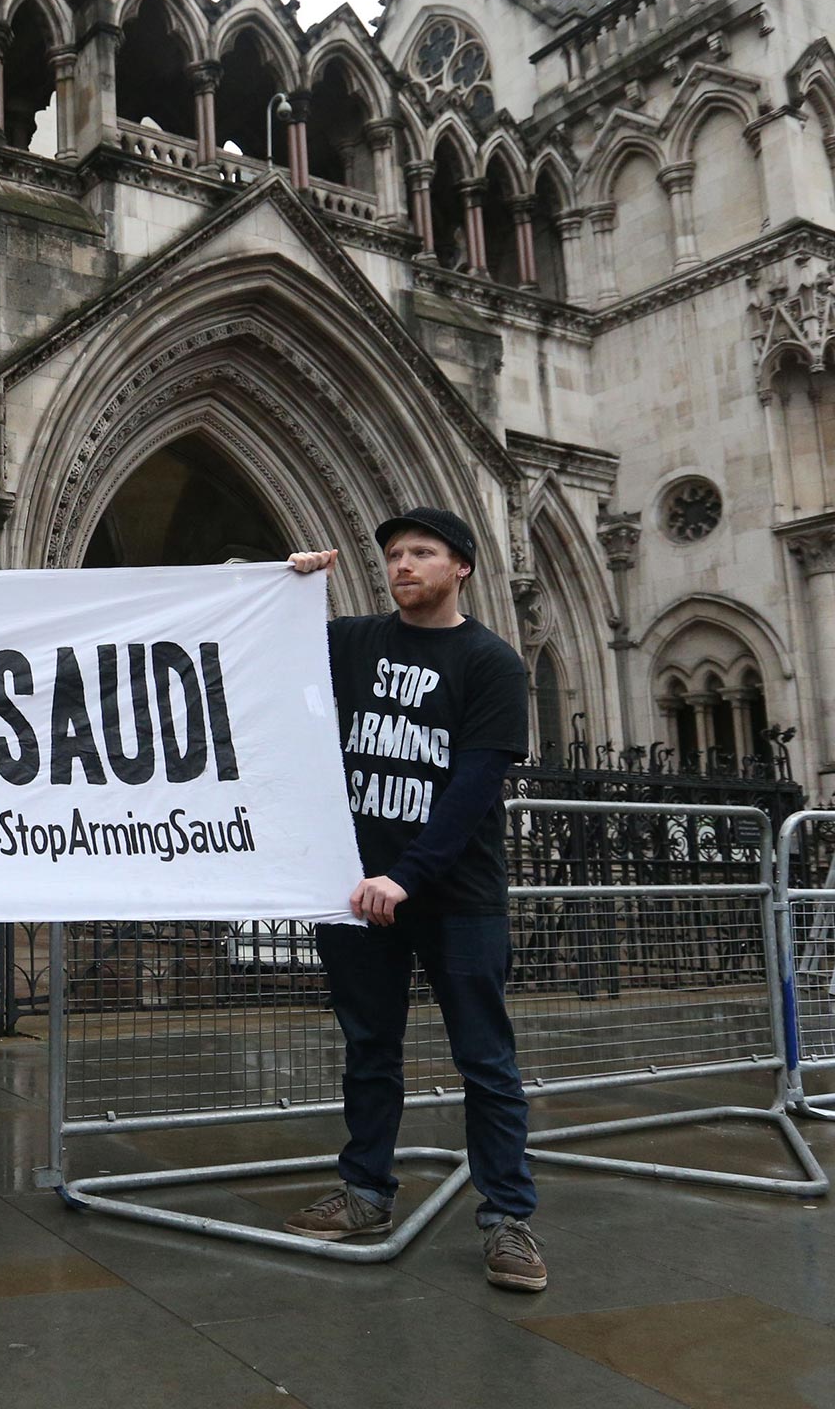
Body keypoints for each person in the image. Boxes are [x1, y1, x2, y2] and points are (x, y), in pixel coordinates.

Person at [286, 509, 545, 1292]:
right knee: (369, 1050)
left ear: (460, 566)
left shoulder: (492, 663)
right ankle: (366, 1190)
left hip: (456, 896)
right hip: (358, 890)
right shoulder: (353, 642)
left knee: (486, 1062)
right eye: (394, 554)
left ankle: (508, 1219)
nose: (403, 564)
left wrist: (408, 876)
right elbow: (262, 653)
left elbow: (472, 786)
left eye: (422, 552)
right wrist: (280, 586)